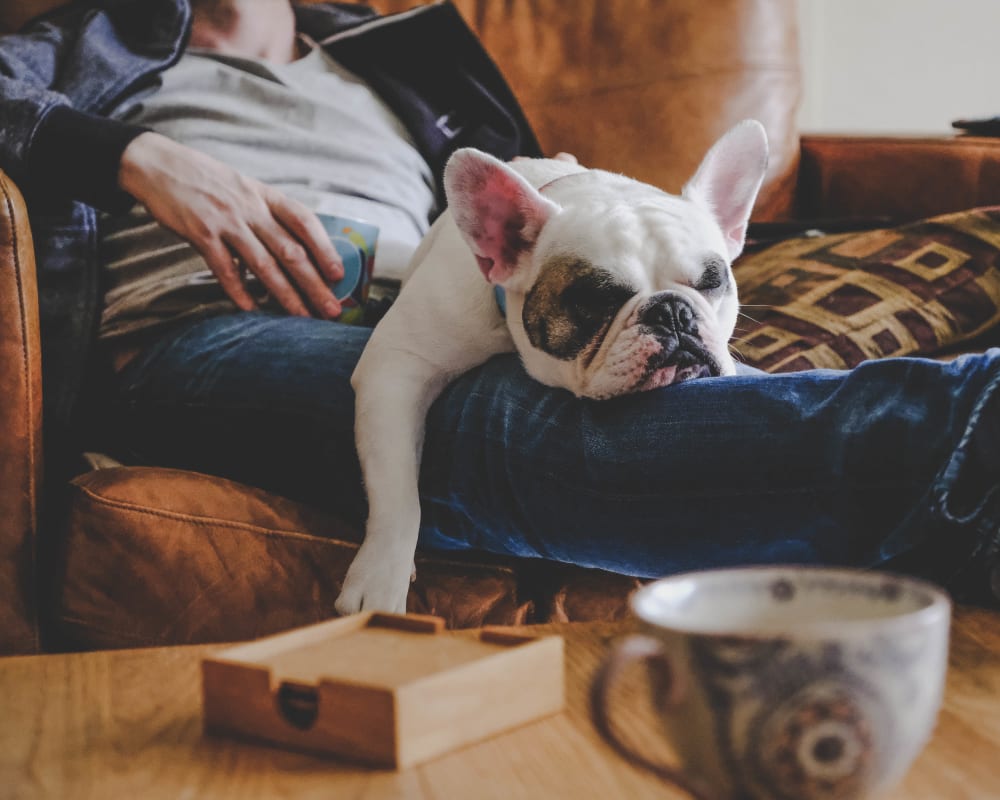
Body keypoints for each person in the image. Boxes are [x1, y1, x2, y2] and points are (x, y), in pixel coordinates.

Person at [3, 0, 999, 608]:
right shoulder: (70, 53)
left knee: (596, 391)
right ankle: (971, 427)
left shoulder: (401, 58)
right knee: (512, 423)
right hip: (200, 334)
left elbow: (557, 249)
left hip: (438, 308)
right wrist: (138, 157)